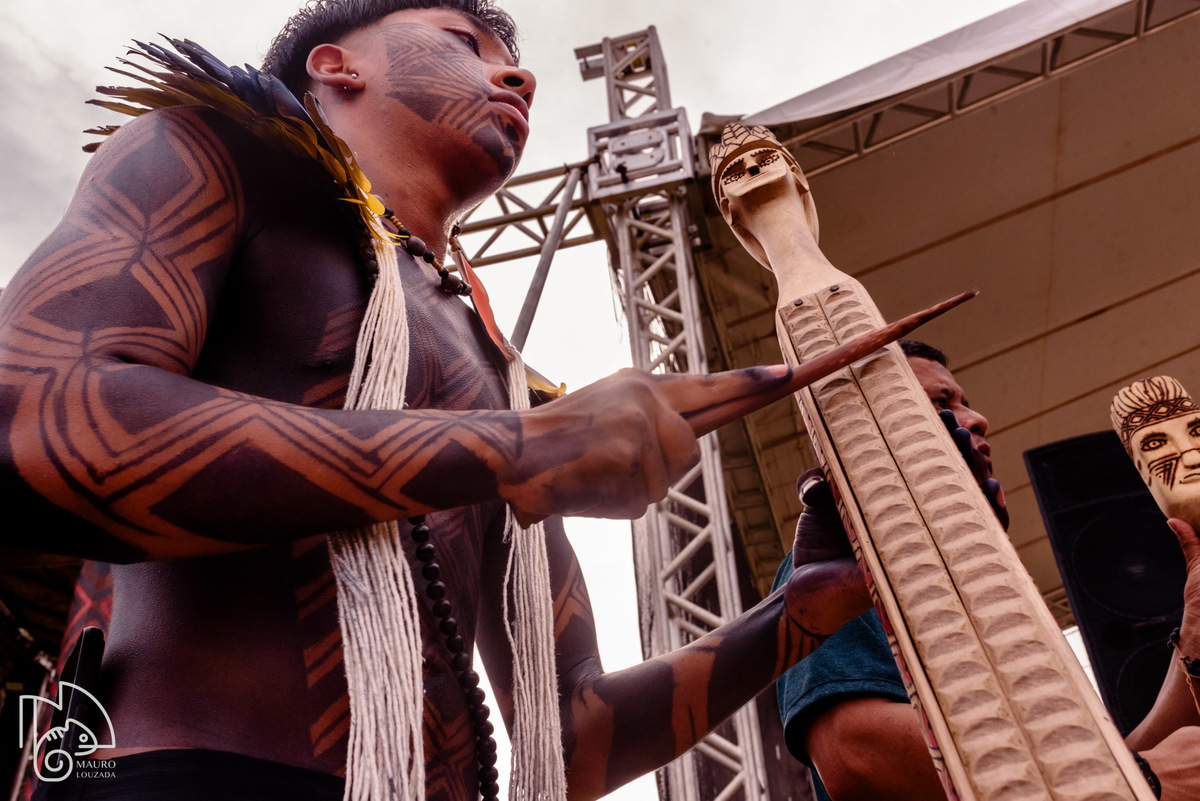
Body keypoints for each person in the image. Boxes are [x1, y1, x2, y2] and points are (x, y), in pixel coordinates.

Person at [0, 2, 872, 800]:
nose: (519, 76)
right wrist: (520, 448)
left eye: (513, 61)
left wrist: (796, 611)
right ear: (338, 67)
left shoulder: (502, 380)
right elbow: (37, 420)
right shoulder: (213, 151)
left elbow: (571, 738)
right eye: (466, 43)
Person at [775, 344, 1199, 801]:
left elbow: (1099, 771)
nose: (977, 418)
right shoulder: (843, 568)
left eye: (963, 400)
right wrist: (1147, 780)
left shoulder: (1003, 593)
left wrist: (1194, 636)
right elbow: (858, 756)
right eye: (941, 403)